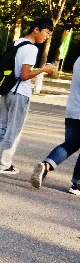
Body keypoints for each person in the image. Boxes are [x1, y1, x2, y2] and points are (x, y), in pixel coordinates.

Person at [0, 17, 57, 174]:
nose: (47, 36)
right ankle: (4, 164)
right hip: (20, 93)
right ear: (36, 29)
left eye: (50, 34)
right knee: (14, 130)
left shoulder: (17, 43)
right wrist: (44, 70)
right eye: (47, 32)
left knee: (3, 127)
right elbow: (24, 75)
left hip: (7, 90)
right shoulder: (31, 49)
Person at [29, 54, 80, 195]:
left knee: (70, 145)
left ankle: (46, 166)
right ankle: (77, 184)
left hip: (72, 110)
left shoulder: (78, 59)